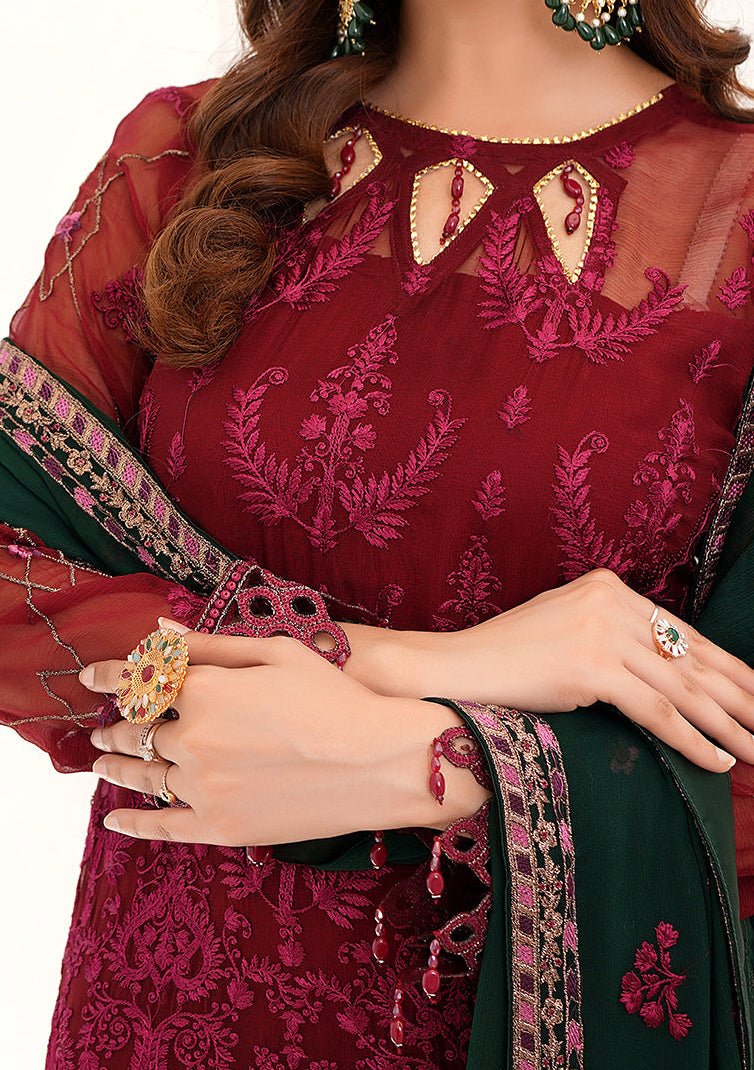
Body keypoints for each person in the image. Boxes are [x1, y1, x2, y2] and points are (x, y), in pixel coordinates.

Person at [3, 0, 754, 1066]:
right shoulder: (188, 161)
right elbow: (16, 570)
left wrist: (443, 764)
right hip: (158, 1015)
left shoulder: (736, 213)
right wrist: (435, 664)